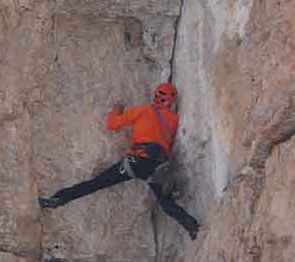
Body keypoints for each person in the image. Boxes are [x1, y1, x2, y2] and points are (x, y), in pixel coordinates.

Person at [38, 83, 200, 238]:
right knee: (166, 204)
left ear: (155, 95)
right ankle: (192, 227)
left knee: (95, 184)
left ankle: (58, 199)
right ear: (172, 101)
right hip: (157, 168)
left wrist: (117, 109)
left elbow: (112, 124)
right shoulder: (173, 120)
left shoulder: (143, 110)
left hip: (136, 163)